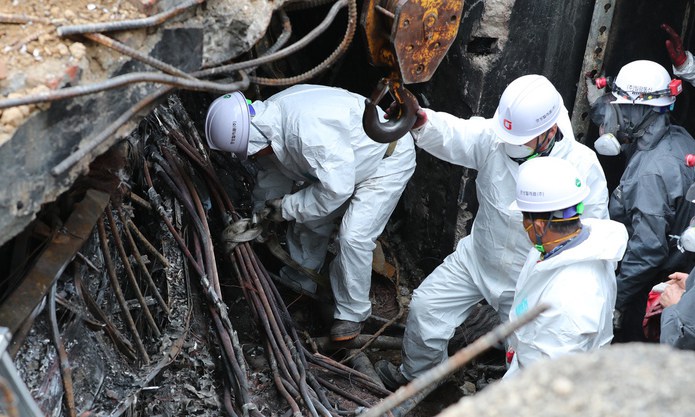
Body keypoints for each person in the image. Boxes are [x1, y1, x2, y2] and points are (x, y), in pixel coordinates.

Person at [375, 74, 610, 390]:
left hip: (524, 281)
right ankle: (419, 380)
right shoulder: (497, 137)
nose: (510, 145)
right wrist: (420, 122)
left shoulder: (583, 167)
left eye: (520, 141)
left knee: (524, 355)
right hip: (478, 258)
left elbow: (589, 239)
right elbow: (459, 134)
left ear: (550, 131)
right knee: (426, 308)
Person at [205, 84, 416, 342]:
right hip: (347, 164)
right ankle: (300, 286)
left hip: (385, 160)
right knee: (308, 221)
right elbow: (272, 174)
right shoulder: (268, 123)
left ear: (255, 139)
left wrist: (288, 208)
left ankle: (352, 314)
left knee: (353, 237)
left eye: (250, 151)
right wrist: (261, 217)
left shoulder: (306, 133)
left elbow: (335, 191)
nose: (252, 156)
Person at [588, 59, 695, 342]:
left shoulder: (650, 173)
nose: (613, 113)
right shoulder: (678, 139)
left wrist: (613, 298)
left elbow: (648, 250)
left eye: (620, 106)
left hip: (654, 286)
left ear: (639, 110)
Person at [505, 156, 628, 377]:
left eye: (525, 218)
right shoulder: (560, 248)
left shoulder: (572, 297)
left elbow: (556, 379)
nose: (524, 226)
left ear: (540, 225)